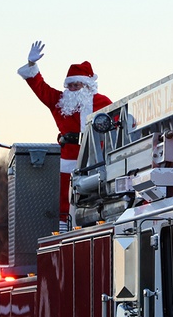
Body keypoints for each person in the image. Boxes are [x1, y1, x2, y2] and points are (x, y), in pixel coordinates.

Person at [17, 41, 112, 227]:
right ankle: (63, 223)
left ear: (87, 86)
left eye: (78, 85)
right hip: (66, 159)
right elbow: (40, 87)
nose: (73, 89)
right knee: (64, 196)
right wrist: (31, 65)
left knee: (95, 194)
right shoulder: (60, 102)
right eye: (71, 85)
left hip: (94, 159)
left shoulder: (102, 102)